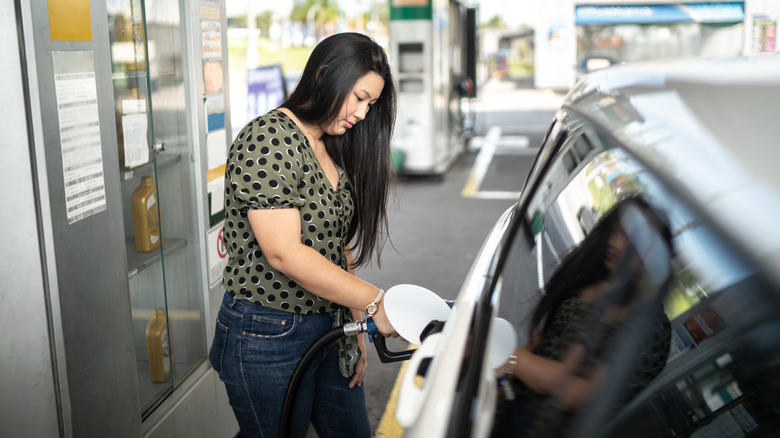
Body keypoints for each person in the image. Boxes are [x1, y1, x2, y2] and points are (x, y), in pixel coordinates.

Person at [208, 32, 399, 438]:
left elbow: (337, 244)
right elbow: (284, 254)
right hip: (268, 333)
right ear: (326, 74)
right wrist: (374, 302)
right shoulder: (268, 138)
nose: (364, 114)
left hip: (330, 326)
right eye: (359, 97)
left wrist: (353, 324)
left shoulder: (329, 144)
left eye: (371, 104)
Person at [492, 197, 673, 437]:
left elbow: (579, 394)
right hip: (512, 407)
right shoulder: (602, 279)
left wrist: (513, 361)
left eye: (631, 241)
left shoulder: (651, 330)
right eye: (616, 232)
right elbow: (543, 337)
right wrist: (503, 381)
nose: (616, 244)